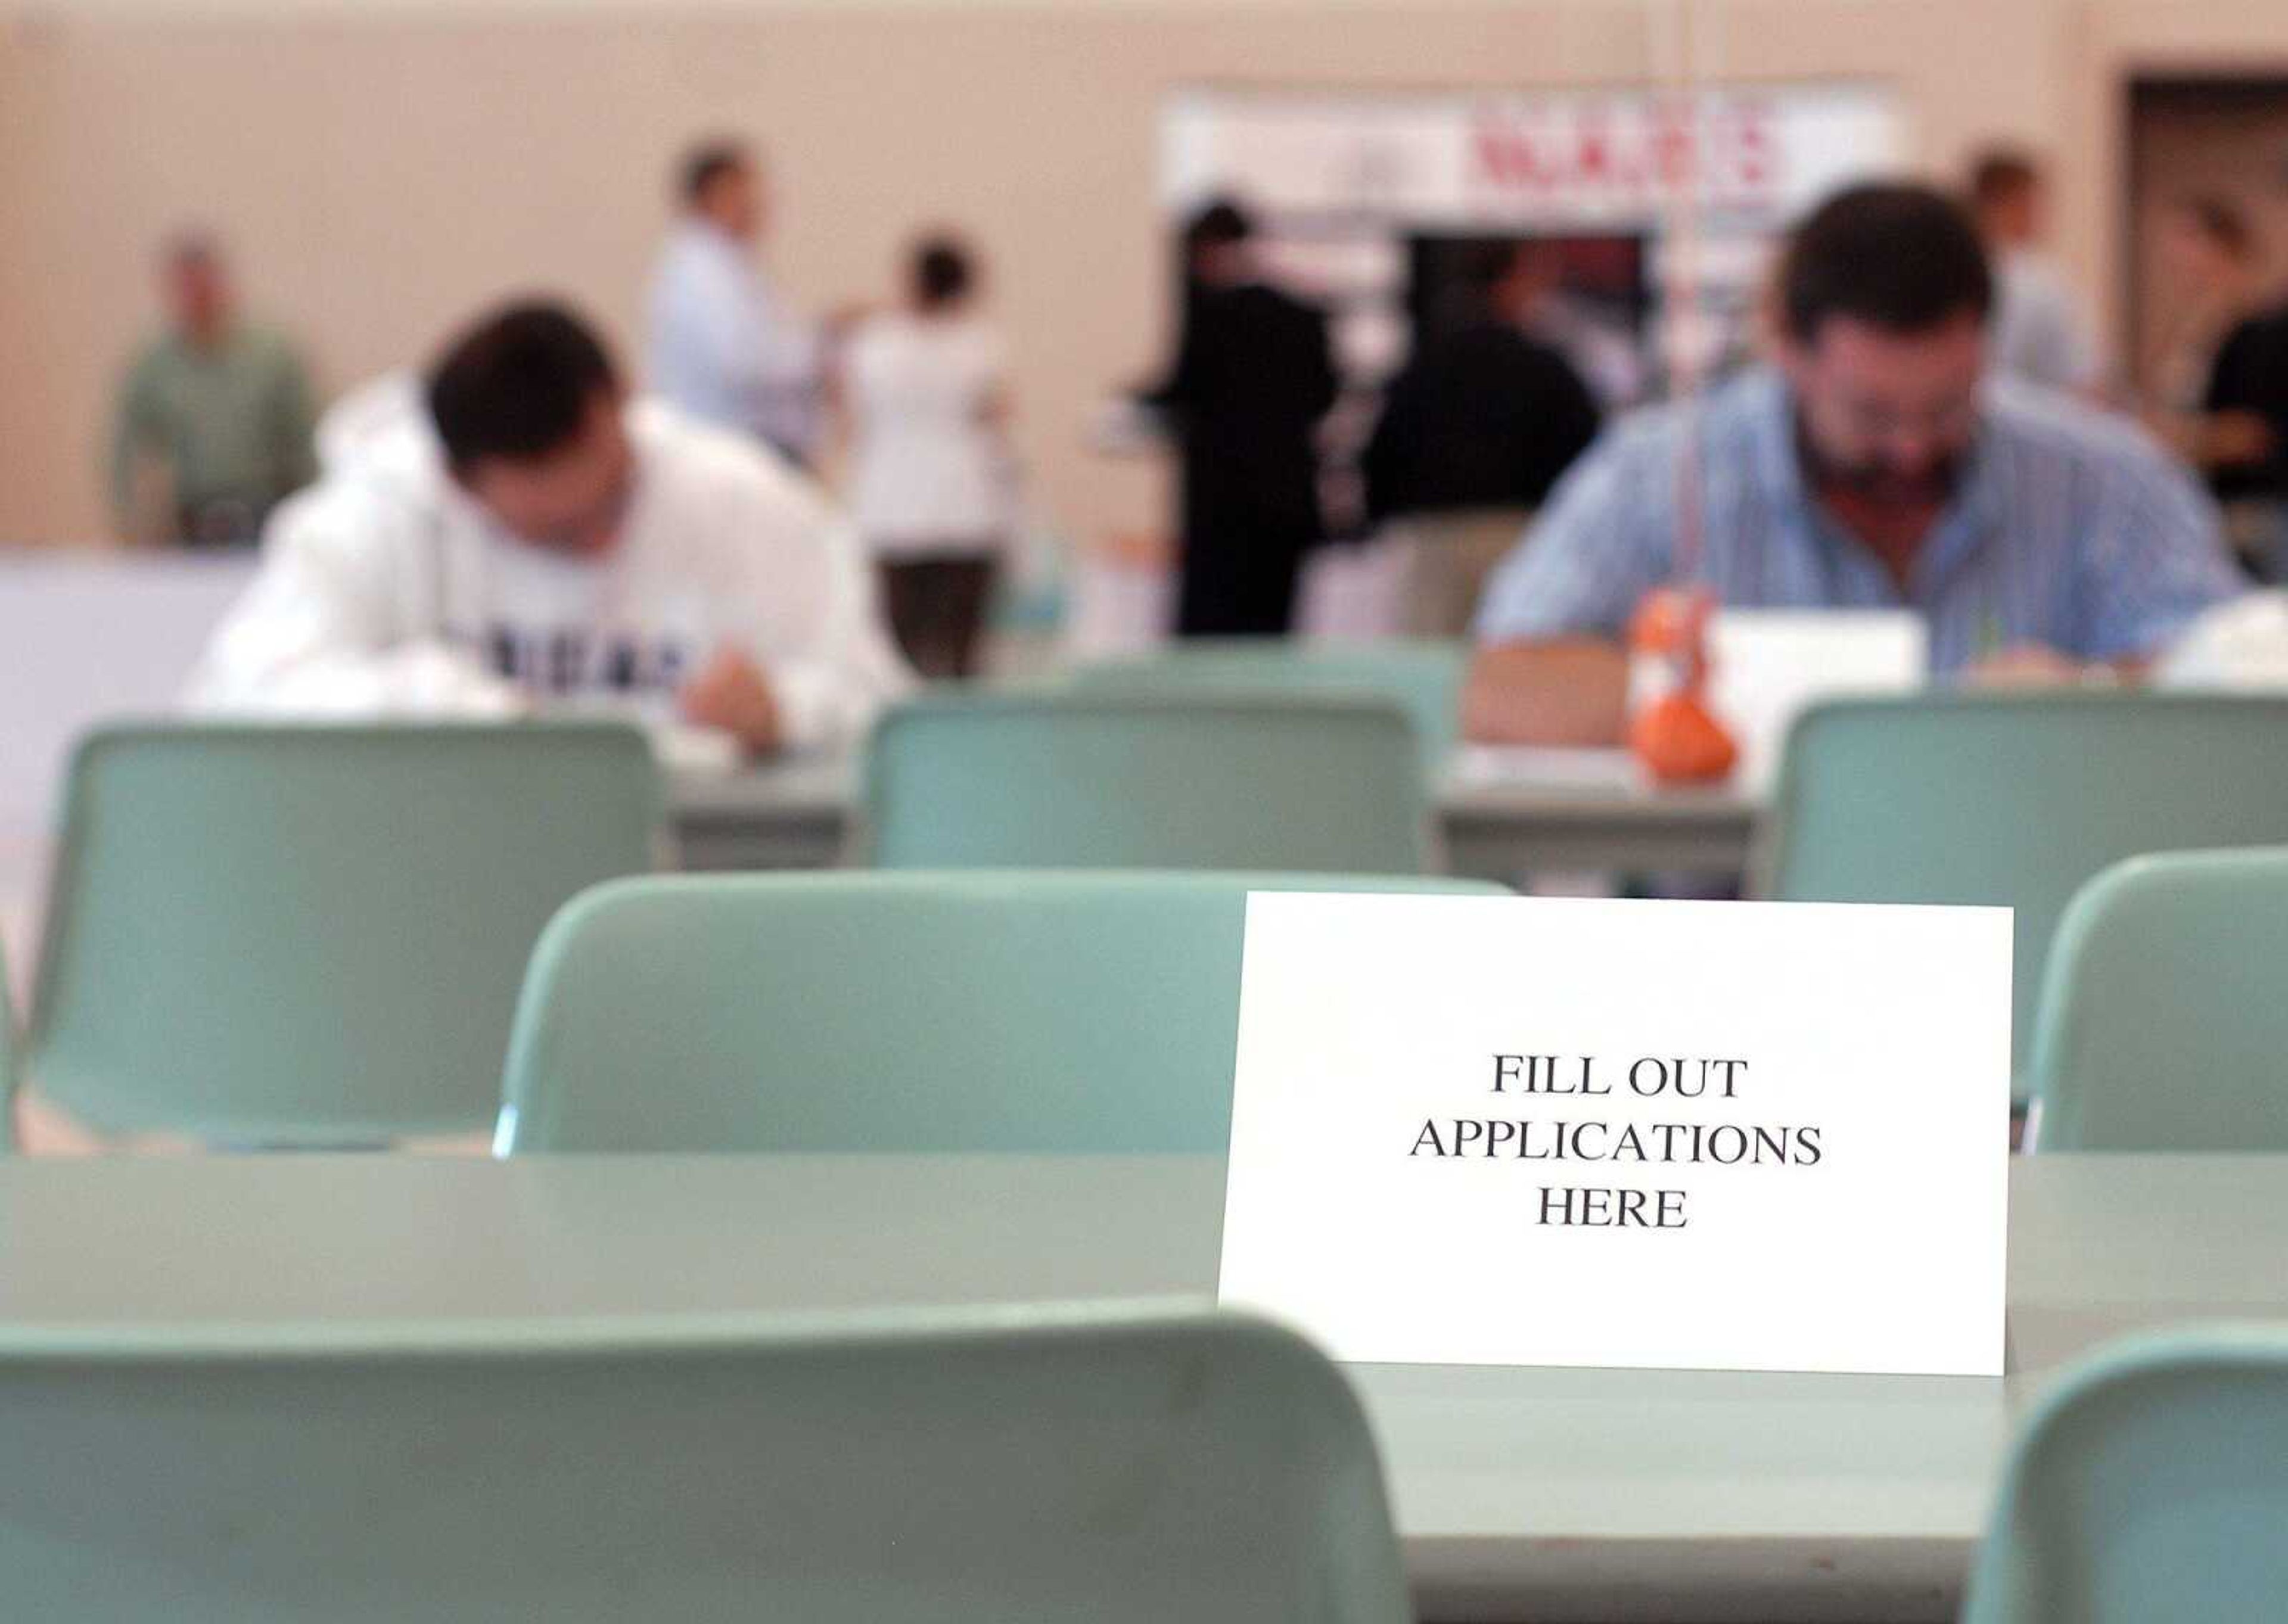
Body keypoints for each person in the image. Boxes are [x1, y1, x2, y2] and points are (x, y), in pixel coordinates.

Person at [1464, 183, 2242, 748]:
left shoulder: (2103, 478)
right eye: (1871, 415)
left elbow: (2239, 684)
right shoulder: (1664, 473)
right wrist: (1711, 694)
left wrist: (2092, 699)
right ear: (1785, 348)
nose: (1910, 448)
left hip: (2026, 924)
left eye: (1947, 407)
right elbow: (1501, 690)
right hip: (1738, 928)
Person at [189, 300, 909, 755]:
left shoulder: (744, 500)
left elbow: (885, 702)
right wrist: (452, 708)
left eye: (615, 504)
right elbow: (236, 699)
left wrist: (785, 708)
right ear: (460, 485)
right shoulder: (381, 514)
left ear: (622, 405)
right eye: (559, 535)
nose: (598, 547)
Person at [1364, 243, 1602, 636]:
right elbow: (1583, 452)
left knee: (1432, 662)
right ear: (1510, 282)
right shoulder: (1542, 366)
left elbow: (1386, 445)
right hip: (1511, 532)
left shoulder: (1429, 361)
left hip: (1437, 534)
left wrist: (1382, 513)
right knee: (1510, 658)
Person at [1143, 199, 1338, 637]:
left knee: (1214, 636)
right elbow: (1324, 397)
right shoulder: (1302, 315)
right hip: (1285, 501)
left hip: (1221, 508)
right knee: (1273, 632)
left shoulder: (1211, 316)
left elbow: (1181, 390)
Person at [843, 234, 1012, 680]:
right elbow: (996, 418)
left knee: (895, 660)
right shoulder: (981, 346)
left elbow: (849, 416)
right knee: (960, 659)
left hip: (891, 509)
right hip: (966, 508)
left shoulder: (874, 344)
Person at [110, 232, 318, 547]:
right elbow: (125, 447)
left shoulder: (271, 355)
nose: (198, 296)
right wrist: (131, 522)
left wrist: (310, 516)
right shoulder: (155, 366)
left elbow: (305, 440)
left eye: (205, 284)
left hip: (265, 514)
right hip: (191, 521)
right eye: (187, 287)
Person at [645, 139, 825, 468]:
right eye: (746, 191)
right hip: (731, 446)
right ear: (714, 195)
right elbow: (743, 362)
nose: (758, 203)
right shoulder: (701, 273)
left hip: (747, 445)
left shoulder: (729, 264)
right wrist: (817, 352)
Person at [1967, 148, 2100, 395]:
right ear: (2015, 204)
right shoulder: (2040, 283)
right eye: (2037, 204)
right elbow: (2084, 380)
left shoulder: (1953, 277)